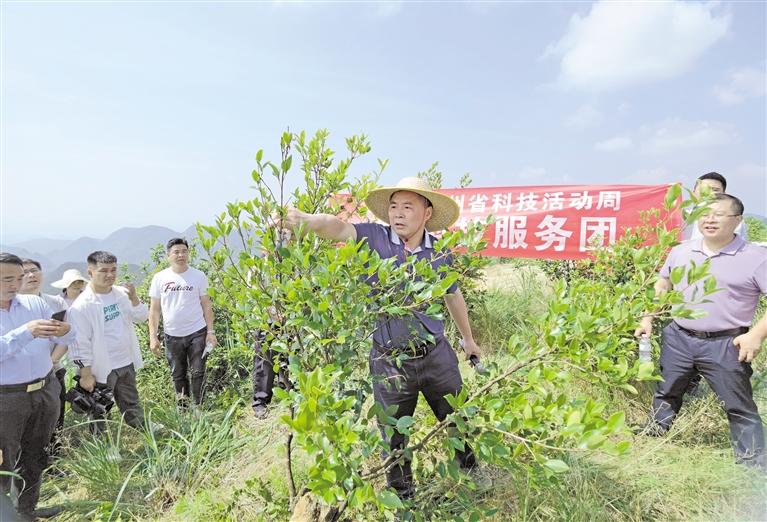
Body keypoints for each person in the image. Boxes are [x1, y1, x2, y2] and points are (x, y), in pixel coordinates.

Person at [278, 176, 482, 498]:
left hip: (436, 354)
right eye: (393, 206)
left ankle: (471, 477)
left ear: (427, 213)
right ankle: (403, 498)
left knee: (459, 418)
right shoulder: (373, 237)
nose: (398, 214)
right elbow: (338, 227)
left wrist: (468, 340)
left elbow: (452, 295)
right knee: (393, 435)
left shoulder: (440, 252)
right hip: (389, 361)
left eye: (407, 207)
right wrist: (307, 221)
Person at [636, 194, 766, 468]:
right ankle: (655, 433)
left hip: (726, 343)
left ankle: (753, 462)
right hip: (679, 336)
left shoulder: (755, 257)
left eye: (719, 214)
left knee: (737, 404)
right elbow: (663, 284)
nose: (709, 219)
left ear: (737, 220)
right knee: (667, 390)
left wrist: (756, 335)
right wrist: (648, 316)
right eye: (704, 214)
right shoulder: (681, 250)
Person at [1, 252, 75, 520]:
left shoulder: (34, 303)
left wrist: (64, 330)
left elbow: (70, 333)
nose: (15, 284)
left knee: (36, 455)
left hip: (44, 389)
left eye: (18, 278)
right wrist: (26, 331)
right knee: (3, 461)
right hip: (6, 399)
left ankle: (26, 511)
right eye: (7, 279)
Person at [67, 251, 148, 432]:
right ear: (90, 273)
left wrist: (134, 297)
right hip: (101, 366)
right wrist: (86, 374)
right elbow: (80, 343)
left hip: (125, 360)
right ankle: (105, 446)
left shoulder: (121, 294)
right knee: (99, 408)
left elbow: (141, 316)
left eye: (113, 270)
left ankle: (143, 429)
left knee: (131, 400)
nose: (110, 275)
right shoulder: (82, 306)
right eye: (103, 271)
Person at [148, 238, 216, 407]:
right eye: (176, 252)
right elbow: (154, 309)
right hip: (172, 335)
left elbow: (206, 305)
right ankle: (183, 409)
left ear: (188, 253)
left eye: (184, 251)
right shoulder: (160, 278)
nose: (181, 255)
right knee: (178, 374)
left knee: (198, 371)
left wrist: (211, 332)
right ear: (168, 255)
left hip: (197, 332)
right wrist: (153, 336)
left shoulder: (198, 276)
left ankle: (198, 407)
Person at [19, 259, 69, 459]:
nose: (31, 276)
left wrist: (51, 362)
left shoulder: (55, 302)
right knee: (24, 423)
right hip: (21, 378)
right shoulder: (11, 306)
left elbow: (65, 337)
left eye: (34, 271)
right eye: (25, 273)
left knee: (55, 418)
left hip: (53, 371)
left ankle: (53, 462)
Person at [683, 172, 747, 240]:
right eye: (703, 189)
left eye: (715, 190)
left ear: (723, 195)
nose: (708, 193)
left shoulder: (731, 218)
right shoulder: (682, 216)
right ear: (693, 193)